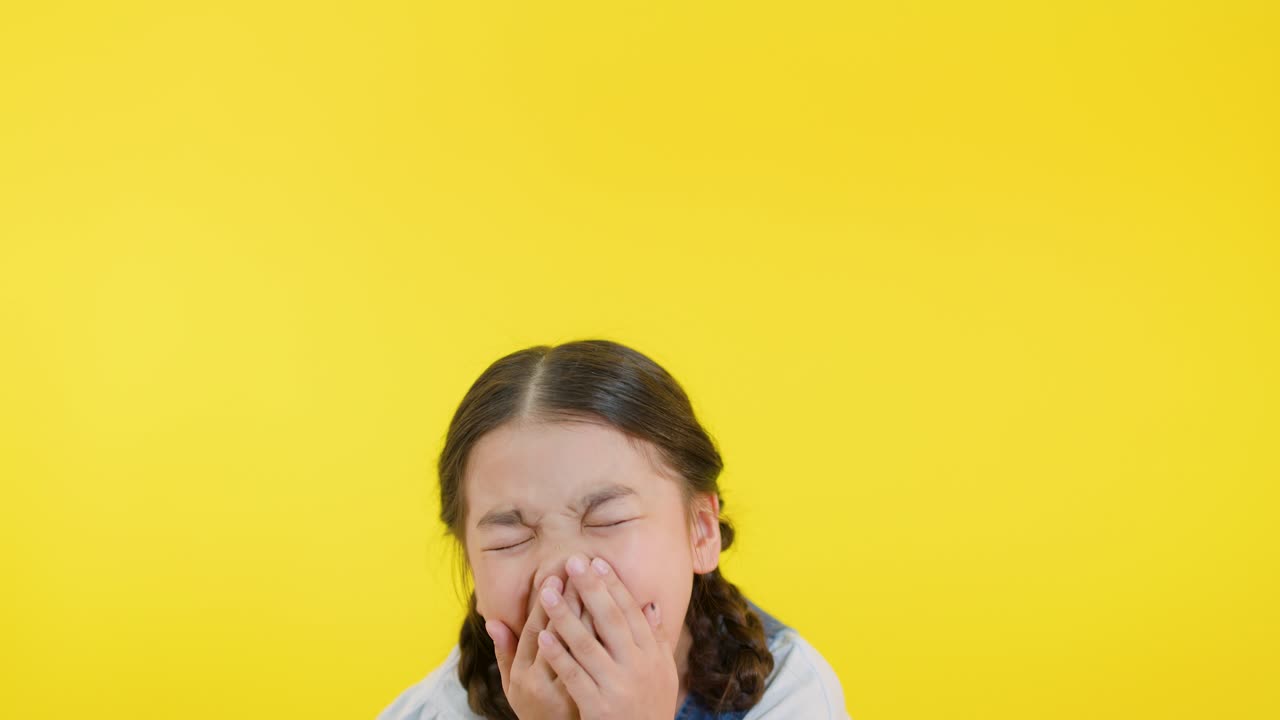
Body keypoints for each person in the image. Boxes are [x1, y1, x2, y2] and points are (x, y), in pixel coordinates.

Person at [378, 339, 849, 719]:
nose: (562, 574)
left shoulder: (793, 693)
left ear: (701, 532)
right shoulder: (433, 711)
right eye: (511, 539)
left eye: (608, 520)